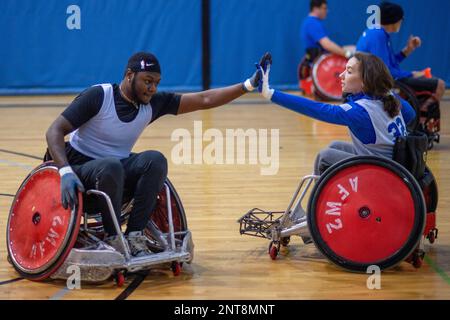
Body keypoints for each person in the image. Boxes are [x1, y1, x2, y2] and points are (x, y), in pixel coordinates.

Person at [46, 51, 271, 257]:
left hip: (113, 173)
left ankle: (134, 235)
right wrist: (64, 171)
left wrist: (248, 85)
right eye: (147, 81)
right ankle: (114, 237)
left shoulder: (153, 104)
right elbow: (54, 131)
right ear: (129, 75)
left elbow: (204, 100)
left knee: (155, 160)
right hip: (79, 172)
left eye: (156, 83)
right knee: (112, 165)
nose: (152, 88)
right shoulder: (99, 95)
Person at [259, 52, 416, 175]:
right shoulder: (389, 96)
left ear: (364, 81)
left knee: (325, 156)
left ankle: (319, 211)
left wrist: (270, 93)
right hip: (395, 163)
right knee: (335, 146)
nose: (341, 75)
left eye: (348, 71)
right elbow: (411, 115)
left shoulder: (359, 111)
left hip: (382, 171)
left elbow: (316, 108)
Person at [356, 1, 445, 109]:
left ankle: (415, 113)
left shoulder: (378, 32)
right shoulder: (378, 35)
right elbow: (385, 70)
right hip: (376, 80)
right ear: (393, 20)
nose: (401, 22)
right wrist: (411, 74)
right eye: (401, 19)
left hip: (378, 77)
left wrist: (408, 50)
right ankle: (421, 114)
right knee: (440, 84)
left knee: (422, 80)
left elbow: (390, 63)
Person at [299, 0, 354, 95]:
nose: (327, 11)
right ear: (316, 9)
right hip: (319, 57)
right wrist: (347, 54)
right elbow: (327, 45)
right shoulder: (312, 23)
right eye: (324, 8)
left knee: (353, 47)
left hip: (317, 55)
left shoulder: (310, 22)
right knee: (353, 51)